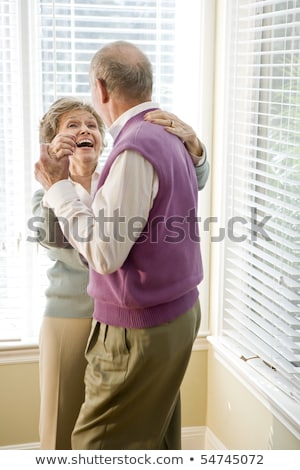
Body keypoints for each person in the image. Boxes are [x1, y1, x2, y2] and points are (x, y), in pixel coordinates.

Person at [33, 95, 209, 450]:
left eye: (91, 124)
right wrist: (64, 184)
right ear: (52, 142)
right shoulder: (49, 192)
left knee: (142, 422)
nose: (85, 130)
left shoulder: (118, 176)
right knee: (64, 420)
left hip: (126, 323)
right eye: (72, 126)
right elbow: (58, 243)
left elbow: (189, 181)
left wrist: (196, 149)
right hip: (71, 318)